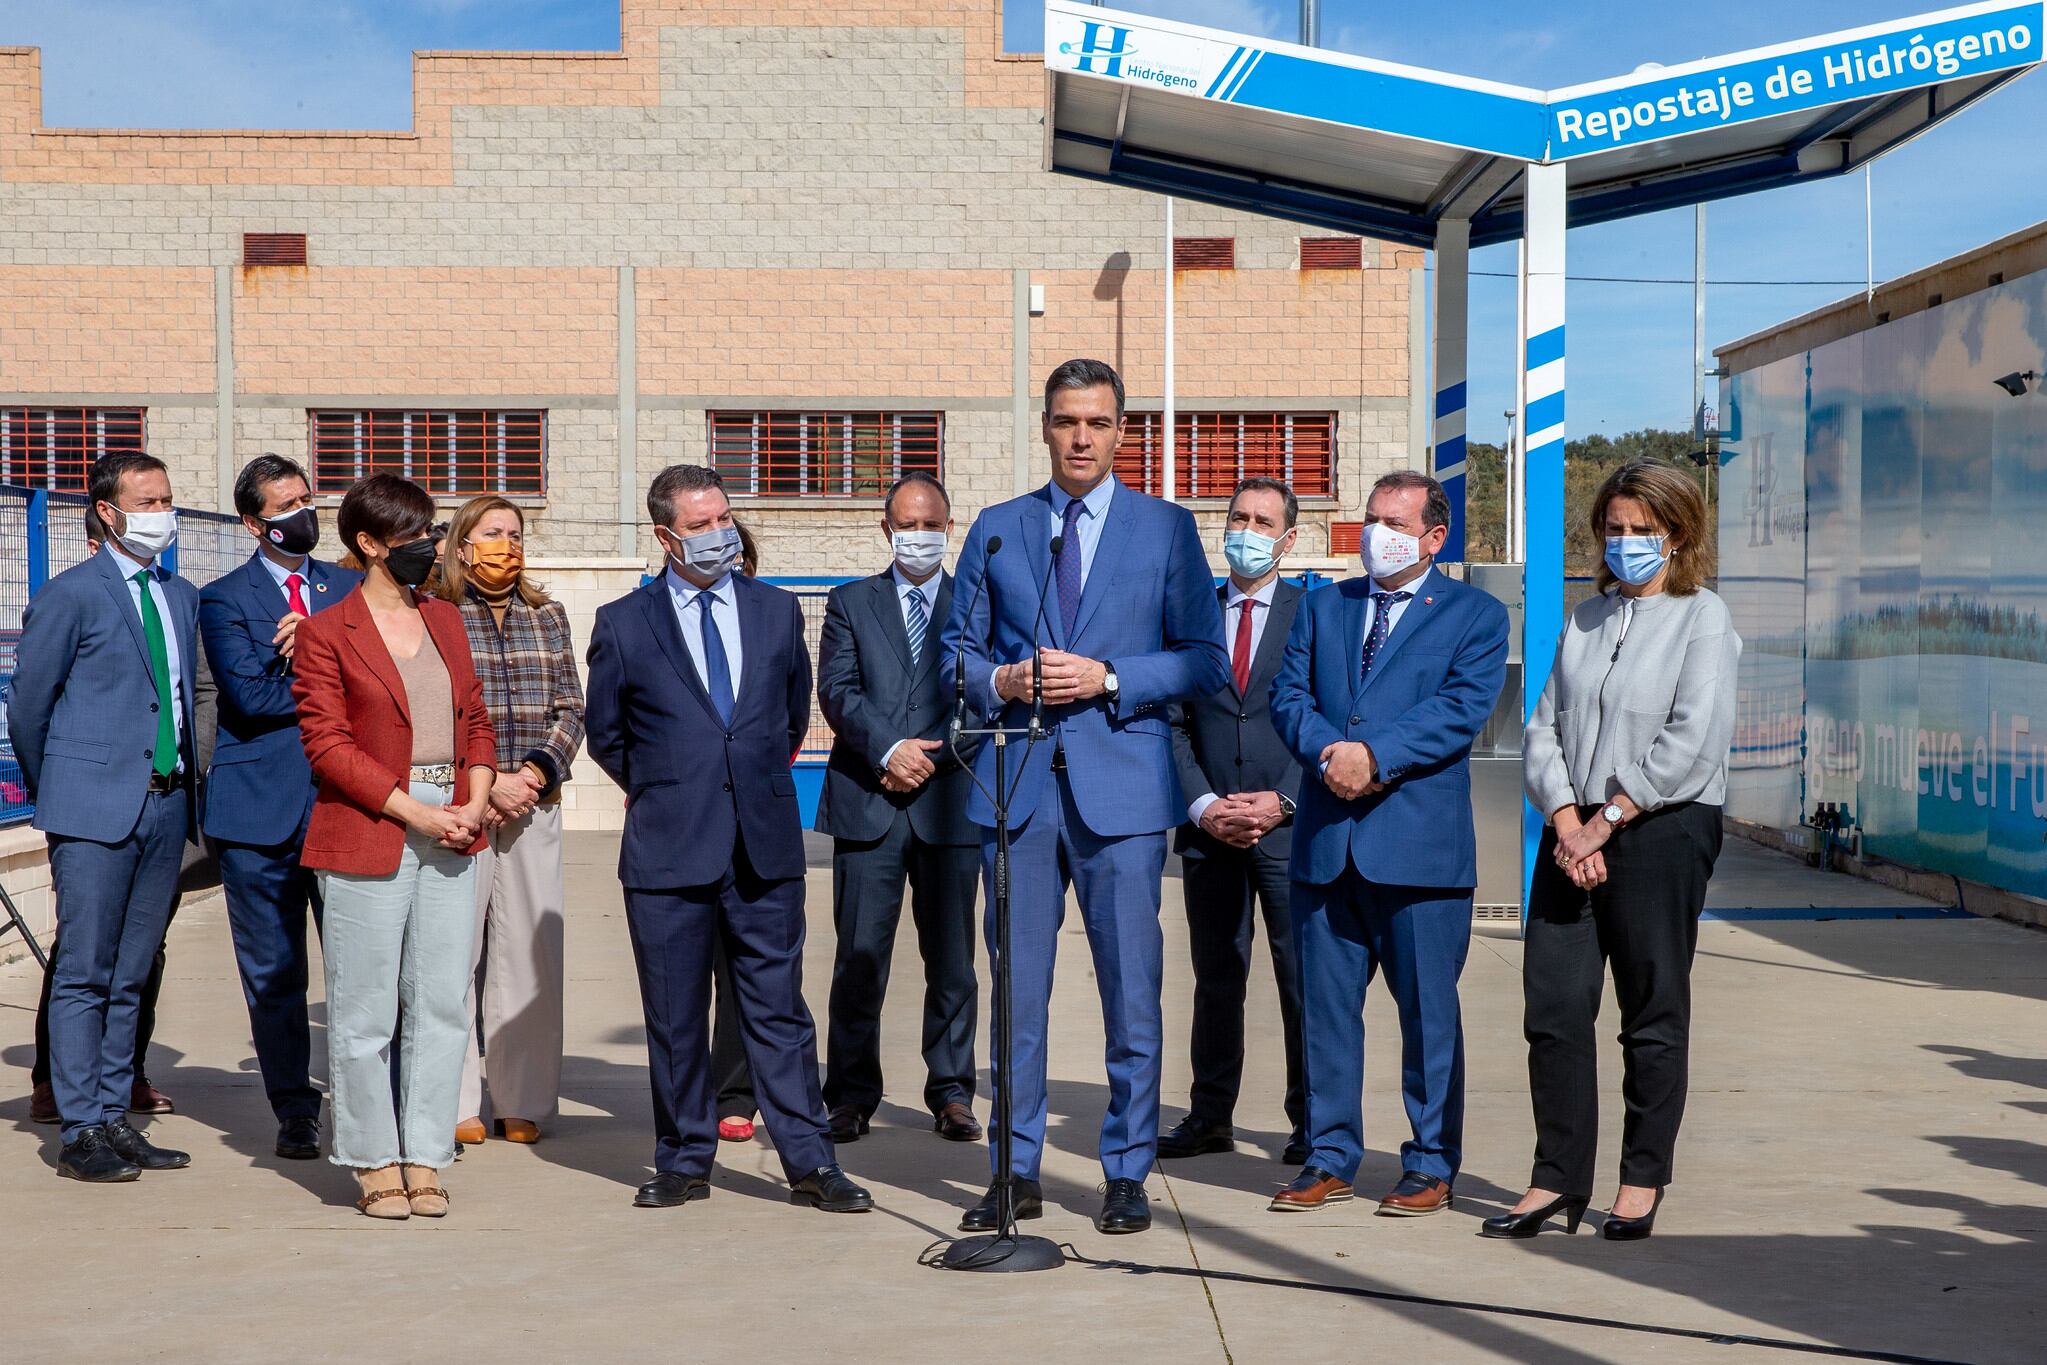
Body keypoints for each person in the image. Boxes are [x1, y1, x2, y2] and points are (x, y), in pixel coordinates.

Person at [939, 357, 1229, 1236]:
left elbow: (1203, 659)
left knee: (1130, 990)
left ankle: (1125, 1170)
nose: (1080, 437)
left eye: (1097, 423)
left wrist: (1109, 674)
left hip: (1124, 792)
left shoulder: (1166, 529)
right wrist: (1004, 677)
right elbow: (955, 653)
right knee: (1015, 991)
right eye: (1066, 421)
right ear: (1045, 426)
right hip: (1017, 791)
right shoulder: (997, 528)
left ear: (1120, 431)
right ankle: (1013, 1168)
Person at [584, 463, 870, 1214]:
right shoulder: (622, 621)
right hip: (669, 846)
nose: (719, 535)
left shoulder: (776, 612)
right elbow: (608, 735)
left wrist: (740, 780)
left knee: (778, 1011)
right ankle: (683, 1158)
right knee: (675, 1015)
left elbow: (784, 716)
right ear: (665, 537)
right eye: (701, 524)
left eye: (724, 519)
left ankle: (811, 1160)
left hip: (762, 843)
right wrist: (670, 786)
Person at [1487, 460, 1739, 1243]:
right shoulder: (1584, 618)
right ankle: (1555, 1178)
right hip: (1574, 828)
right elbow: (1543, 727)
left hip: (1662, 826)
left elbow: (1691, 737)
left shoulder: (1702, 617)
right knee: (1554, 1008)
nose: (1625, 543)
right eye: (1614, 529)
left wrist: (1610, 817)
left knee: (1649, 1011)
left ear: (1679, 533)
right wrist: (1566, 818)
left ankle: (1639, 1178)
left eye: (1642, 531)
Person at [1267, 471, 1508, 1218]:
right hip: (1327, 844)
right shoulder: (1322, 606)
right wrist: (1330, 753)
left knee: (1427, 1015)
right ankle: (1329, 1153)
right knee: (1326, 1014)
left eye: (1395, 522)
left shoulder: (1474, 613)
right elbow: (1288, 697)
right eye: (1371, 518)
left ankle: (1430, 1161)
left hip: (1418, 852)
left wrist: (1373, 756)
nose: (1377, 533)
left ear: (1434, 536)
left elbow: (1461, 707)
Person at [292, 474, 498, 1219]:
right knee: (364, 1011)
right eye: (411, 537)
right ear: (369, 544)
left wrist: (473, 799)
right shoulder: (324, 632)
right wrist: (416, 810)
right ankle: (373, 1157)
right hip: (372, 829)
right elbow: (328, 746)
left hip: (453, 827)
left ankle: (425, 1154)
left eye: (431, 531)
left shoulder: (447, 619)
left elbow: (474, 716)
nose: (429, 547)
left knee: (443, 1003)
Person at [9, 453, 201, 1182]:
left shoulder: (178, 594)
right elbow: (29, 705)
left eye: (168, 498)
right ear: (108, 511)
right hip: (93, 810)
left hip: (167, 804)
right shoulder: (72, 593)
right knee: (84, 970)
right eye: (147, 500)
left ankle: (118, 1114)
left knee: (132, 970)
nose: (162, 511)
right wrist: (61, 786)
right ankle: (81, 1124)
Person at [198, 453, 361, 1161]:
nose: (302, 514)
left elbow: (378, 688)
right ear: (252, 522)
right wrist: (312, 664)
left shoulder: (349, 587)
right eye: (285, 505)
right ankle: (294, 1108)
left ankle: (364, 1107)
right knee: (274, 973)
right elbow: (252, 699)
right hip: (258, 815)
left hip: (344, 805)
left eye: (306, 498)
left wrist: (317, 647)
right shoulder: (225, 598)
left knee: (359, 967)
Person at [814, 471, 983, 1146]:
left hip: (948, 806)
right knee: (859, 957)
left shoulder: (976, 606)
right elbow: (837, 689)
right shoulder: (851, 601)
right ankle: (850, 1094)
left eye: (931, 525)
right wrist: (888, 749)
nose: (920, 536)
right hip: (869, 802)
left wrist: (930, 754)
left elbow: (979, 696)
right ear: (887, 530)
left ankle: (951, 1090)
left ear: (949, 528)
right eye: (907, 525)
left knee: (952, 960)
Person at [1159, 477, 1309, 1166]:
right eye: (1236, 517)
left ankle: (1313, 1120)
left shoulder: (1313, 615)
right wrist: (1202, 804)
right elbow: (1173, 723)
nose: (1245, 530)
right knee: (1215, 975)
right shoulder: (1192, 616)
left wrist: (1282, 798)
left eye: (1261, 520)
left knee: (1300, 976)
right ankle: (1209, 1114)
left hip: (1288, 828)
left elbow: (1329, 715)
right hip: (1208, 829)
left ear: (1288, 537)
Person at [428, 495, 586, 1148]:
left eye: (515, 533)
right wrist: (482, 786)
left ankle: (522, 1098)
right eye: (491, 533)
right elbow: (437, 711)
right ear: (461, 544)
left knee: (530, 957)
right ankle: (455, 1098)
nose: (506, 544)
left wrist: (533, 774)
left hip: (531, 803)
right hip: (460, 806)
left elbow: (571, 706)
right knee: (451, 955)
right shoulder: (435, 612)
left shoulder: (546, 613)